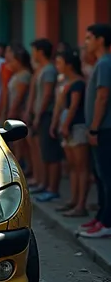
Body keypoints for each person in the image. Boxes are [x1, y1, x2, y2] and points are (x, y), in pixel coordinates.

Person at [80, 23, 111, 238]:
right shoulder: (100, 63)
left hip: (104, 129)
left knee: (106, 176)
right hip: (101, 129)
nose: (86, 42)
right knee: (100, 176)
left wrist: (94, 128)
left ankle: (107, 222)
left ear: (100, 40)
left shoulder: (105, 64)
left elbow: (102, 96)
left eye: (89, 38)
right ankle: (101, 217)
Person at [54, 49, 89, 217]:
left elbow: (74, 106)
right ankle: (74, 200)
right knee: (73, 167)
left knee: (81, 167)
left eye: (60, 62)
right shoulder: (66, 82)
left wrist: (65, 125)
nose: (57, 66)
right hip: (67, 126)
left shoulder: (78, 83)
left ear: (69, 65)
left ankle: (81, 204)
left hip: (77, 126)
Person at [30, 38, 63, 202]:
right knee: (44, 152)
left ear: (40, 51)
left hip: (47, 115)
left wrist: (38, 115)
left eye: (34, 50)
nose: (33, 54)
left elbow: (48, 94)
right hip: (42, 115)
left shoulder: (49, 70)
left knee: (51, 153)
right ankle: (45, 184)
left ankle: (52, 188)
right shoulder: (42, 69)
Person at [6, 45, 33, 172]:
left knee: (21, 143)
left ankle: (26, 168)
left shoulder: (24, 75)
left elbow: (19, 96)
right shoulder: (17, 74)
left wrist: (12, 110)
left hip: (19, 113)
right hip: (15, 111)